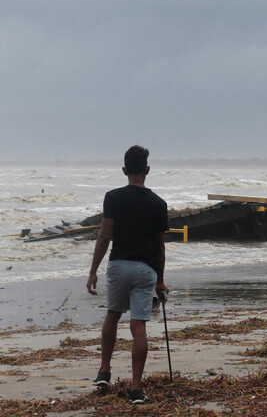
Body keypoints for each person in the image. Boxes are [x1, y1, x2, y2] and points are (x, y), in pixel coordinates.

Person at [86, 145, 169, 404]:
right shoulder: (159, 203)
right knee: (138, 325)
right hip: (145, 269)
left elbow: (104, 236)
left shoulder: (113, 197)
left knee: (113, 313)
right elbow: (160, 246)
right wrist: (160, 280)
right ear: (147, 170)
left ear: (124, 170)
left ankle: (104, 370)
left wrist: (93, 272)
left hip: (119, 265)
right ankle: (135, 387)